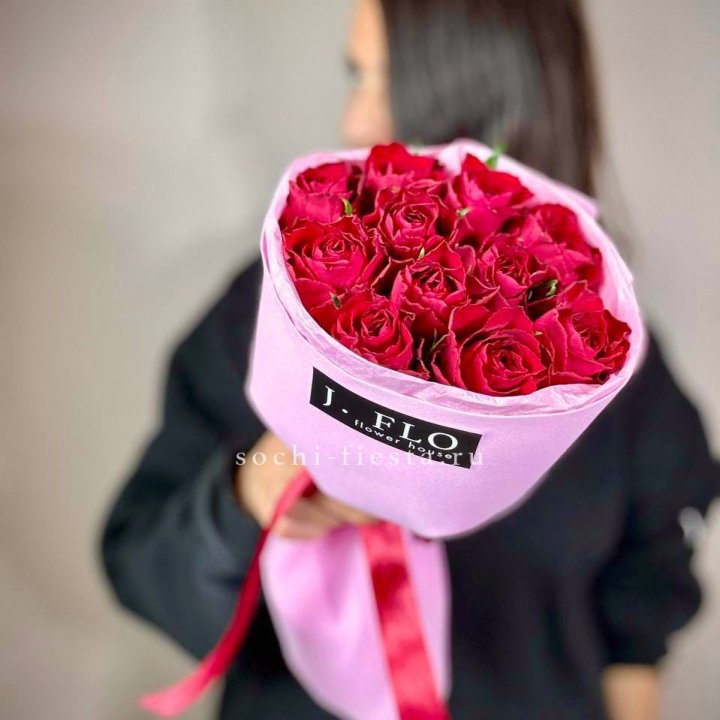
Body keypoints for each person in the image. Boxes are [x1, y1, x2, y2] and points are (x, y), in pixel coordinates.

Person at [100, 1, 720, 718]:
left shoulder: (601, 363)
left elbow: (643, 605)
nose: (354, 124)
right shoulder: (275, 309)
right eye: (355, 77)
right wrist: (248, 493)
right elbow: (139, 562)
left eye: (387, 81)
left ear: (494, 89)